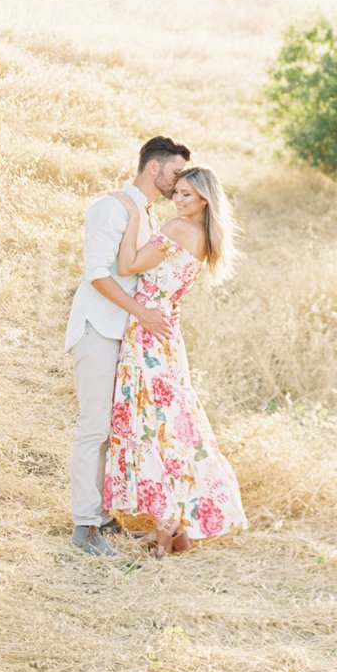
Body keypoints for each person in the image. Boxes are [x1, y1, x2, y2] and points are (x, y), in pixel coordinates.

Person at [103, 165, 247, 556]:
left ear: (203, 199)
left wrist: (134, 216)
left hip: (150, 332)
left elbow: (127, 266)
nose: (178, 200)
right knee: (167, 422)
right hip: (162, 330)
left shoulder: (180, 229)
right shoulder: (201, 235)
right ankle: (176, 526)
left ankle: (166, 529)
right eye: (177, 193)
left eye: (187, 195)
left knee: (155, 424)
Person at [65, 135, 191, 557]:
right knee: (93, 428)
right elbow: (98, 275)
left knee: (115, 431)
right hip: (99, 328)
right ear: (154, 168)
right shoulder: (111, 207)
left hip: (128, 338)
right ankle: (84, 528)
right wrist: (140, 312)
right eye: (175, 172)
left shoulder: (148, 215)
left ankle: (102, 516)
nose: (179, 181)